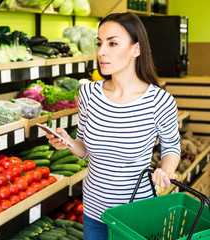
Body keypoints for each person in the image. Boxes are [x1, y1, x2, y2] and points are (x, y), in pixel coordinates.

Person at [46, 12, 180, 240]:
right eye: (99, 43)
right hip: (94, 210)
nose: (101, 52)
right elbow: (84, 149)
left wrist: (166, 170)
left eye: (112, 43)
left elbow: (171, 149)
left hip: (135, 214)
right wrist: (66, 142)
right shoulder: (88, 93)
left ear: (136, 49)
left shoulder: (160, 101)